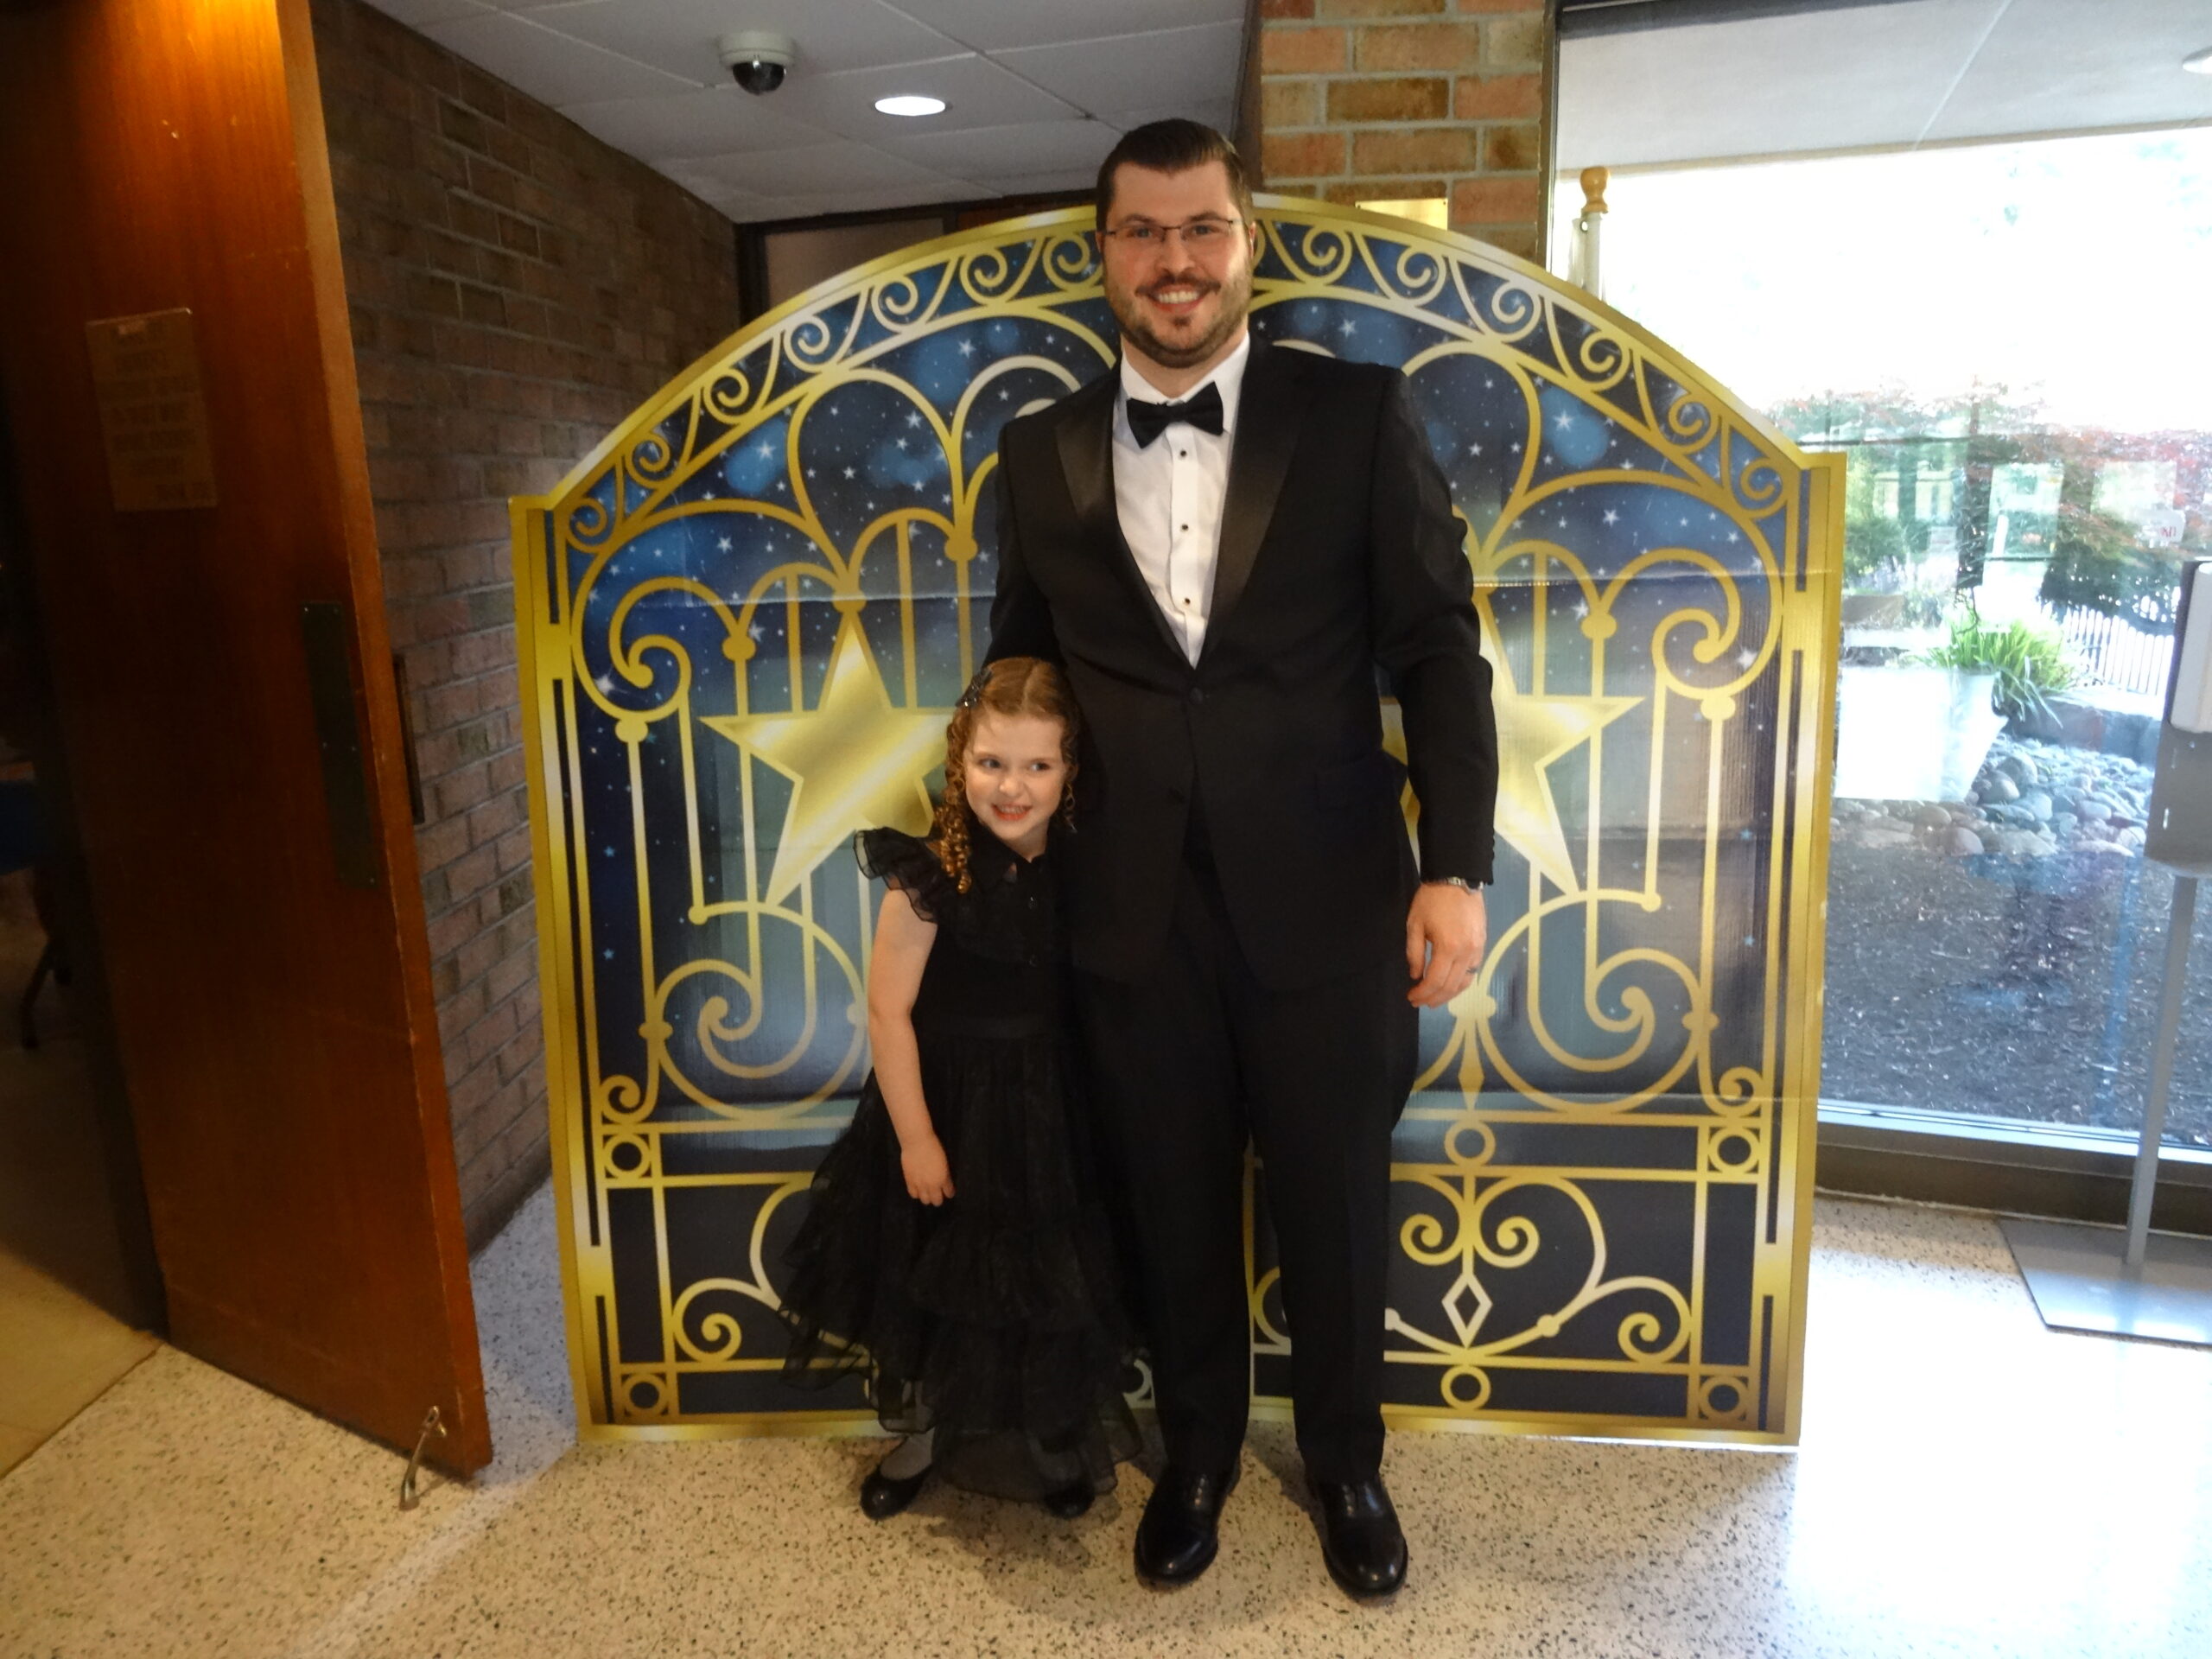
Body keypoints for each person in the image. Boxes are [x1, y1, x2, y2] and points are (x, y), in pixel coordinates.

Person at [986, 119, 1498, 1598]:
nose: (1176, 261)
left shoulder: (1357, 414)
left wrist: (1455, 866)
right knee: (1169, 1198)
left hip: (1332, 899)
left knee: (1337, 1201)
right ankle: (1199, 1450)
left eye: (1202, 227)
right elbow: (1024, 666)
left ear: (1247, 243)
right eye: (1143, 232)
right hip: (1126, 907)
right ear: (1103, 255)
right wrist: (1002, 848)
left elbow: (1436, 650)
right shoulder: (1038, 449)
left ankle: (1346, 1462)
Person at [778, 657, 1138, 1520]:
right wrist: (916, 1138)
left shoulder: (1086, 869)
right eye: (991, 763)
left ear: (1069, 769)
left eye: (1036, 765)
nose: (1011, 787)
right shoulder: (930, 876)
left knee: (1043, 1279)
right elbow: (888, 1011)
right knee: (935, 1280)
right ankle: (924, 1434)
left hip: (1053, 1115)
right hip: (947, 1110)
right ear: (959, 761)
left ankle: (1049, 1432)